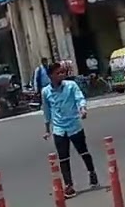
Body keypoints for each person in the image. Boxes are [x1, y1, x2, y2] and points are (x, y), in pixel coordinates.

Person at [40, 61, 96, 196]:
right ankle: (69, 185)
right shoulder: (46, 91)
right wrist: (47, 129)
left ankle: (91, 172)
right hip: (59, 128)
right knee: (63, 157)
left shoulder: (71, 86)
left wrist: (82, 109)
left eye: (62, 72)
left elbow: (79, 98)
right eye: (58, 73)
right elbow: (46, 111)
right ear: (51, 76)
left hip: (74, 125)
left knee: (83, 151)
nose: (61, 75)